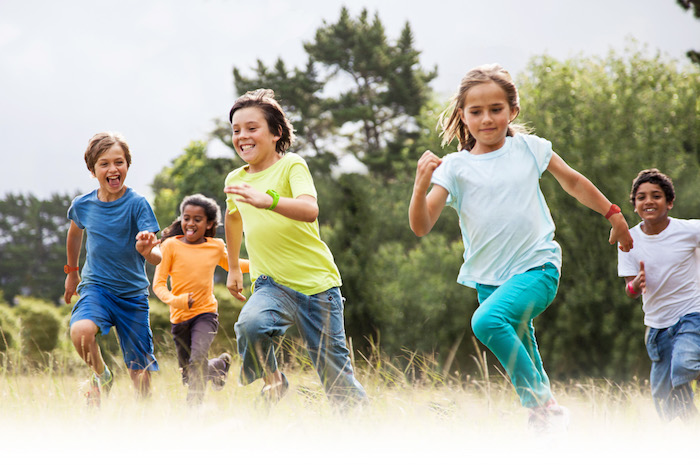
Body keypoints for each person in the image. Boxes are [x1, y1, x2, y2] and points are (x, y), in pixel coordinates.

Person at [408, 64, 633, 431]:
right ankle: (548, 419)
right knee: (522, 342)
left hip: (538, 268)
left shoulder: (529, 148)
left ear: (513, 111)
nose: (486, 119)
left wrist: (613, 213)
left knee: (486, 321)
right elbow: (421, 226)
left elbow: (573, 182)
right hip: (488, 280)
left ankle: (541, 405)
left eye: (496, 109)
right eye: (476, 111)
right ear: (462, 116)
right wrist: (419, 189)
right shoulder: (454, 167)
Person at [223, 89, 367, 407]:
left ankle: (361, 427)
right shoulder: (235, 178)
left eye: (251, 128)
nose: (242, 136)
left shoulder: (291, 166)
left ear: (276, 133)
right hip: (272, 285)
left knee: (335, 377)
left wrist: (269, 200)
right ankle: (274, 383)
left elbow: (309, 209)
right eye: (236, 130)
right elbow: (232, 218)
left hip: (318, 286)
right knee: (250, 326)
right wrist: (233, 266)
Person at [64, 131, 162, 406]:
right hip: (97, 289)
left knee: (140, 375)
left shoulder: (137, 204)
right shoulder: (83, 205)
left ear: (127, 166)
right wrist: (72, 272)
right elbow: (74, 234)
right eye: (104, 164)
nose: (113, 169)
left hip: (132, 296)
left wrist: (147, 249)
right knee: (80, 332)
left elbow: (156, 255)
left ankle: (144, 420)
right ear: (93, 170)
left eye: (119, 162)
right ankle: (102, 375)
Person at [618, 168, 700, 422]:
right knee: (665, 401)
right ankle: (691, 432)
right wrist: (636, 285)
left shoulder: (689, 230)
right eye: (641, 197)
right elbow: (629, 289)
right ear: (634, 205)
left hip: (692, 314)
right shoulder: (627, 239)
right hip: (657, 327)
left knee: (684, 364)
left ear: (670, 202)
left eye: (657, 196)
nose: (649, 201)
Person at [153, 193, 250, 405]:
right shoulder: (169, 246)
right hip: (179, 319)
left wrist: (262, 264)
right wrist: (178, 301)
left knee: (197, 360)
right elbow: (158, 286)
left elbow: (233, 264)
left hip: (205, 314)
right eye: (186, 218)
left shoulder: (215, 246)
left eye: (197, 219)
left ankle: (193, 411)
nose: (190, 223)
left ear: (209, 224)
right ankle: (218, 366)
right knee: (189, 375)